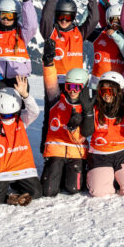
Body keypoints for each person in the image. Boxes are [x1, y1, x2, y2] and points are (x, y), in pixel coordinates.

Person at [81, 71, 124, 197]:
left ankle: (118, 177)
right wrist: (88, 112)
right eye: (103, 91)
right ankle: (108, 177)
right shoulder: (95, 109)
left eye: (110, 91)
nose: (106, 95)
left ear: (118, 92)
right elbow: (86, 132)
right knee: (100, 192)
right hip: (100, 154)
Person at [40, 39, 90, 197]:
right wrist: (48, 62)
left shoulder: (87, 106)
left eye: (77, 87)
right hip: (56, 150)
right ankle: (57, 172)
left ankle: (65, 174)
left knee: (73, 189)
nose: (72, 91)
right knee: (48, 191)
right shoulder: (57, 99)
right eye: (69, 86)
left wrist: (77, 125)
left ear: (84, 87)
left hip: (77, 153)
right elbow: (50, 82)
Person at [0, 76, 43, 205]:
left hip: (22, 167)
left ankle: (14, 187)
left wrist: (25, 95)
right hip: (1, 170)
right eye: (3, 115)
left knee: (36, 193)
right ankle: (10, 194)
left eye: (11, 114)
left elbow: (35, 112)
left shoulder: (21, 120)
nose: (7, 118)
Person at [39, 0, 99, 79]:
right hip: (55, 80)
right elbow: (46, 18)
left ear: (73, 17)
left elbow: (94, 19)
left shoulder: (79, 33)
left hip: (76, 81)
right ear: (56, 15)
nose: (64, 20)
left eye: (68, 17)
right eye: (61, 16)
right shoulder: (50, 32)